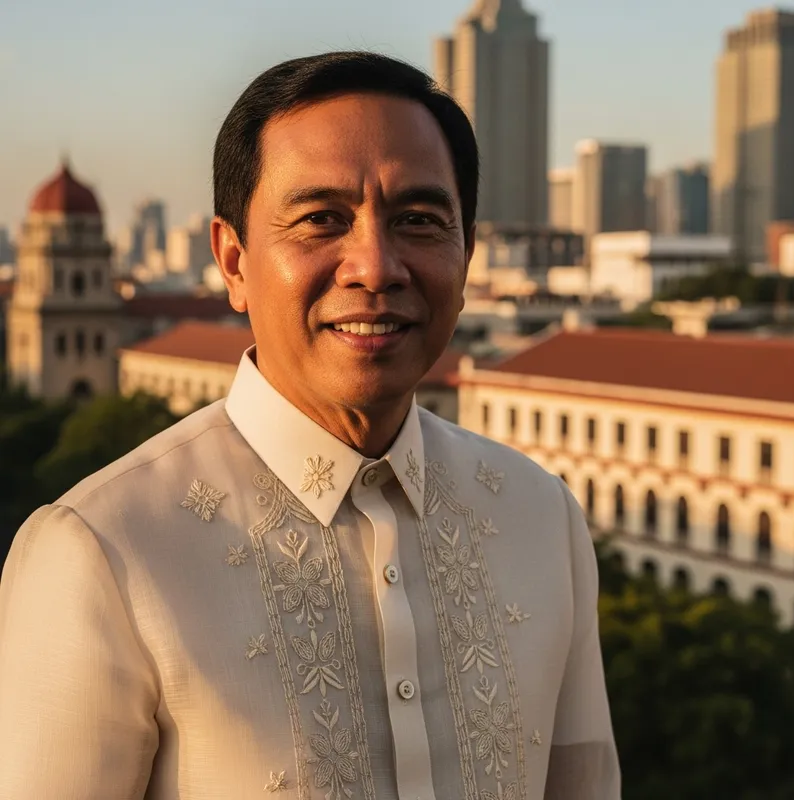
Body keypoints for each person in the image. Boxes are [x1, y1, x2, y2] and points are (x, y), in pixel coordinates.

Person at [0, 52, 620, 799]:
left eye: (419, 221)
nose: (375, 267)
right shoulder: (101, 553)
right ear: (233, 261)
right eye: (322, 219)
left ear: (467, 257)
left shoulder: (542, 518)